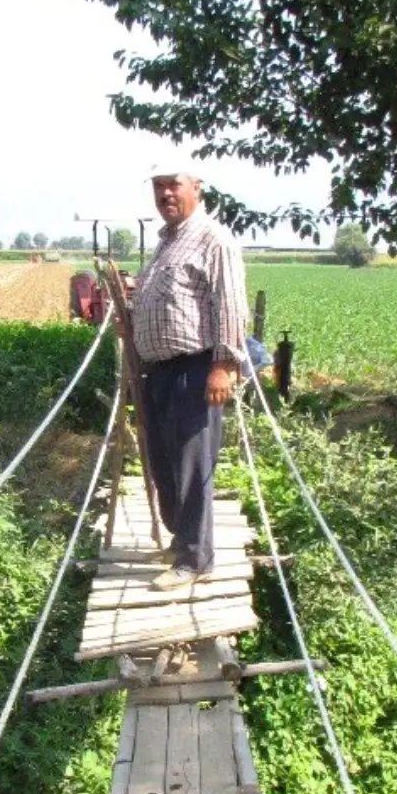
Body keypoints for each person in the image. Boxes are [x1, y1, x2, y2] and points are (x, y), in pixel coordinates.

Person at [129, 167, 248, 590]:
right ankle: (182, 541)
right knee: (163, 461)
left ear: (196, 188)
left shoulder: (213, 239)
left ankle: (196, 559)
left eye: (173, 185)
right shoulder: (167, 243)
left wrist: (223, 365)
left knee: (190, 463)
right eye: (158, 187)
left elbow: (230, 304)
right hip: (159, 371)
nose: (165, 193)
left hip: (195, 367)